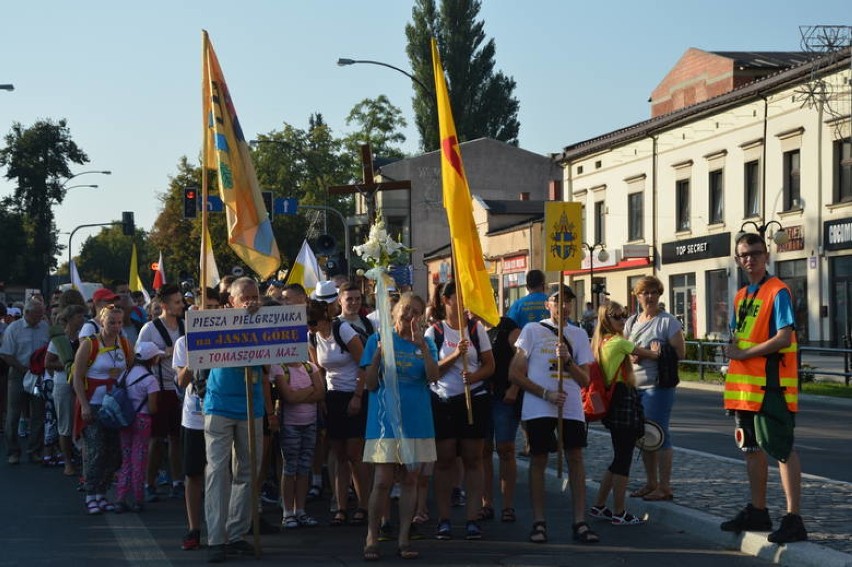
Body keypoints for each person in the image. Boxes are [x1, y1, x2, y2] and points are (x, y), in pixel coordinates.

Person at [721, 233, 807, 544]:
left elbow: (784, 337)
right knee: (751, 449)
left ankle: (794, 518)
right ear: (737, 259)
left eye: (756, 253)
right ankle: (758, 511)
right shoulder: (742, 295)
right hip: (745, 389)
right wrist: (733, 348)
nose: (750, 259)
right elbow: (739, 335)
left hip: (772, 386)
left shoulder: (778, 291)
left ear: (766, 255)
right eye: (744, 254)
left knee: (781, 449)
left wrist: (744, 353)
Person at [509, 285, 598, 544]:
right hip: (539, 405)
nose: (564, 306)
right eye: (558, 302)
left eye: (569, 301)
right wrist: (544, 393)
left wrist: (568, 360)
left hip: (569, 406)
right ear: (548, 305)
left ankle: (579, 522)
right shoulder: (532, 330)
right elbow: (514, 373)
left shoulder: (579, 334)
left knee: (576, 458)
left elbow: (584, 381)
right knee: (538, 459)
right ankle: (539, 522)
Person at [360, 292, 438, 561]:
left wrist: (425, 350)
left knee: (410, 478)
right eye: (406, 309)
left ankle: (404, 537)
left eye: (417, 312)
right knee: (382, 480)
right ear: (394, 311)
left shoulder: (425, 342)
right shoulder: (377, 340)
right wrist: (380, 353)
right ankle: (372, 535)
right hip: (384, 421)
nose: (410, 316)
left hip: (416, 418)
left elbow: (433, 377)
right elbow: (369, 383)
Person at [203, 277, 271, 562]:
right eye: (245, 297)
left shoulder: (267, 320)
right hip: (219, 404)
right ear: (231, 301)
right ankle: (217, 538)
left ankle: (237, 532)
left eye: (255, 295)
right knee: (218, 471)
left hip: (250, 404)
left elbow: (272, 361)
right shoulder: (218, 320)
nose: (251, 301)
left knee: (248, 470)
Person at [424, 281, 495, 541]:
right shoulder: (434, 332)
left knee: (473, 460)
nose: (464, 301)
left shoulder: (476, 330)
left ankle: (472, 518)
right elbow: (431, 371)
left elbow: (490, 365)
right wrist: (456, 356)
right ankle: (444, 519)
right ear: (447, 300)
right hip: (444, 402)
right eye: (459, 296)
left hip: (474, 400)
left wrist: (474, 377)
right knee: (444, 462)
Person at [307, 280, 371, 527]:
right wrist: (321, 398)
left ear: (323, 318)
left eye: (313, 323)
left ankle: (363, 504)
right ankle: (341, 505)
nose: (310, 328)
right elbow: (318, 370)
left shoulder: (343, 330)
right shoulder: (313, 338)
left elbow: (363, 363)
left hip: (354, 392)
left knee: (355, 454)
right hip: (333, 396)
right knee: (338, 453)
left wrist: (357, 396)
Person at [590, 301, 659, 527]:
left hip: (613, 404)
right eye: (617, 317)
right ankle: (619, 512)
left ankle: (599, 505)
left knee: (617, 458)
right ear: (606, 320)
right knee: (623, 460)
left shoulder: (602, 342)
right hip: (623, 403)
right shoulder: (619, 342)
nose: (622, 320)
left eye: (623, 315)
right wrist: (656, 351)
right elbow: (648, 354)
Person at [624, 276, 685, 502]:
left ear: (659, 295)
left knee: (659, 434)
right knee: (644, 436)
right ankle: (651, 483)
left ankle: (664, 486)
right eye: (644, 293)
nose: (649, 297)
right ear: (637, 296)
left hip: (657, 386)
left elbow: (680, 353)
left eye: (653, 292)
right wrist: (632, 354)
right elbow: (624, 349)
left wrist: (655, 352)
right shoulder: (632, 322)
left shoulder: (667, 322)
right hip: (634, 386)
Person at [72, 304, 133, 514]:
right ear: (101, 322)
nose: (116, 327)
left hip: (114, 406)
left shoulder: (124, 344)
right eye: (111, 322)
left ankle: (102, 493)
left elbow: (130, 371)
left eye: (119, 322)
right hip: (94, 405)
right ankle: (90, 494)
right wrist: (84, 406)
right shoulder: (89, 344)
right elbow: (77, 378)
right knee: (96, 450)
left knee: (114, 452)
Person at [173, 288, 219, 551]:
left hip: (221, 414)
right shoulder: (183, 342)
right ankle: (194, 527)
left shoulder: (227, 336)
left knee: (219, 474)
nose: (210, 312)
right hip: (194, 415)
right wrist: (195, 356)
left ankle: (218, 527)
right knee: (193, 474)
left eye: (214, 307)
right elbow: (181, 382)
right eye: (206, 308)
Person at [138, 283, 185, 502]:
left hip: (183, 389)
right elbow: (137, 357)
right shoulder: (150, 328)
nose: (182, 305)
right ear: (164, 305)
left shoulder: (186, 325)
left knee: (177, 438)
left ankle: (177, 481)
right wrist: (161, 353)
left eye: (181, 301)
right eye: (177, 302)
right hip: (160, 388)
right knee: (156, 439)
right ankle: (149, 482)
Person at [480, 315, 521, 523]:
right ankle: (486, 503)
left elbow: (523, 357)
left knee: (505, 449)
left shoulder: (507, 326)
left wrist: (514, 387)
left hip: (503, 396)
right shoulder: (470, 327)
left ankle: (508, 505)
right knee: (483, 450)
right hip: (480, 395)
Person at [275, 355, 324, 530]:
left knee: (304, 467)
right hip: (290, 425)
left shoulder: (311, 367)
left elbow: (321, 392)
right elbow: (289, 397)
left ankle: (300, 510)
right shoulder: (279, 368)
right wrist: (310, 390)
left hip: (310, 423)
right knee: (290, 468)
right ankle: (288, 512)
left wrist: (299, 394)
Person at [1, 298, 50, 465]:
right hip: (18, 375)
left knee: (38, 413)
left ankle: (34, 450)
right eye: (37, 314)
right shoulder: (13, 329)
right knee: (13, 414)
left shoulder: (45, 327)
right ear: (26, 313)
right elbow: (6, 354)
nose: (40, 317)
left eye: (42, 314)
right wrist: (23, 369)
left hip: (38, 376)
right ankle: (13, 451)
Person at [114, 341, 161, 513]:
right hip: (142, 420)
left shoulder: (126, 374)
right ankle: (138, 499)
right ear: (153, 359)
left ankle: (120, 498)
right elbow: (154, 407)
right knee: (139, 460)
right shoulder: (150, 380)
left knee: (126, 460)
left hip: (124, 419)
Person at [44, 304, 87, 476]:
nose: (82, 320)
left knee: (83, 423)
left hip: (82, 384)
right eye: (78, 316)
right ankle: (67, 462)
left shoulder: (85, 337)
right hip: (63, 384)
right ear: (69, 319)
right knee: (65, 425)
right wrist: (69, 366)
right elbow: (48, 363)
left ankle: (84, 461)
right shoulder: (59, 340)